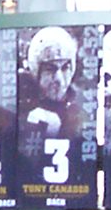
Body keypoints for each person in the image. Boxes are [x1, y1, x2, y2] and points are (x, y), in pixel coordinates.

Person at [17, 26, 85, 179]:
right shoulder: (19, 104)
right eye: (50, 69)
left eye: (65, 67)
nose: (59, 80)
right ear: (36, 69)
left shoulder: (81, 107)